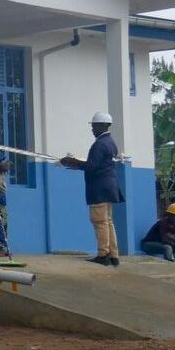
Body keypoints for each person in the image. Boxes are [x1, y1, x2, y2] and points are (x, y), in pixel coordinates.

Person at [60, 111, 125, 267]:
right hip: (110, 187)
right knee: (108, 221)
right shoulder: (111, 143)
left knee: (99, 221)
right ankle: (114, 255)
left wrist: (72, 161)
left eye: (94, 126)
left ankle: (103, 254)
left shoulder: (99, 144)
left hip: (99, 188)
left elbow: (92, 166)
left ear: (101, 126)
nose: (92, 129)